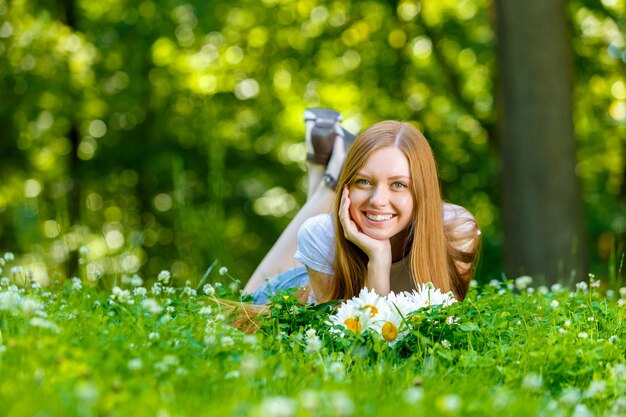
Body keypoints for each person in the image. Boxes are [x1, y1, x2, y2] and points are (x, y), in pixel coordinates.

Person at [242, 109, 481, 305]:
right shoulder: (320, 235)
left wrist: (379, 257)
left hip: (322, 263)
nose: (378, 200)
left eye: (398, 184)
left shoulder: (456, 231)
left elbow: (443, 320)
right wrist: (378, 258)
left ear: (422, 191)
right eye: (363, 181)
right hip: (299, 287)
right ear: (348, 185)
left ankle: (323, 167)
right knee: (237, 308)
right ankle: (329, 180)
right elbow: (355, 341)